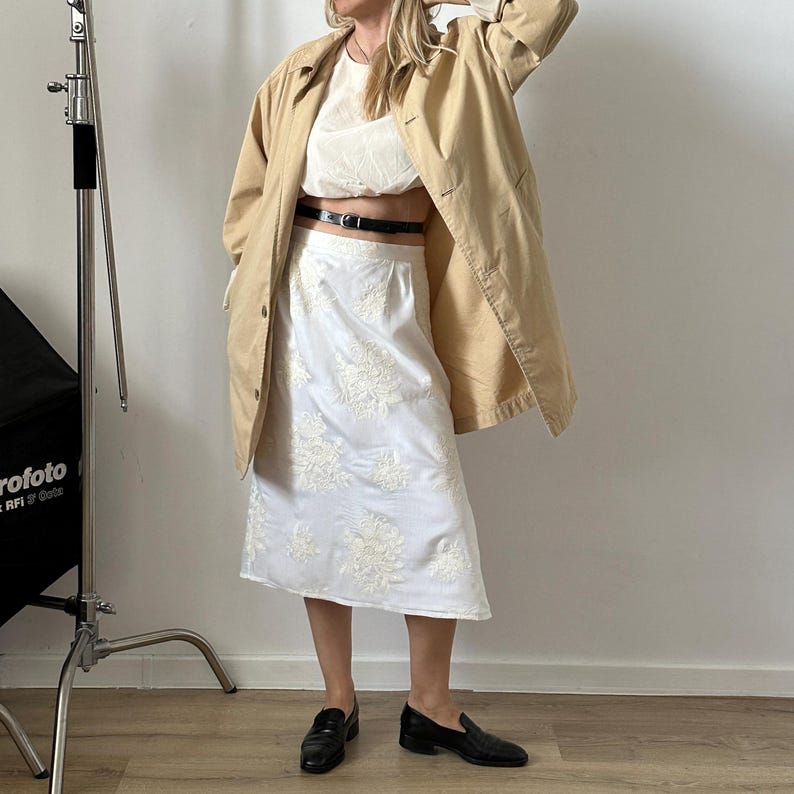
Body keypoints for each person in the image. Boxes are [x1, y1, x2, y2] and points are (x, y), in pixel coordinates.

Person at [222, 0, 579, 775]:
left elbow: (548, 9)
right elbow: (249, 198)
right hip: (304, 302)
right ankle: (336, 698)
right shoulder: (302, 72)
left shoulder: (461, 64)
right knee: (311, 502)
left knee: (427, 499)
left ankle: (431, 706)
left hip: (391, 294)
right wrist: (252, 272)